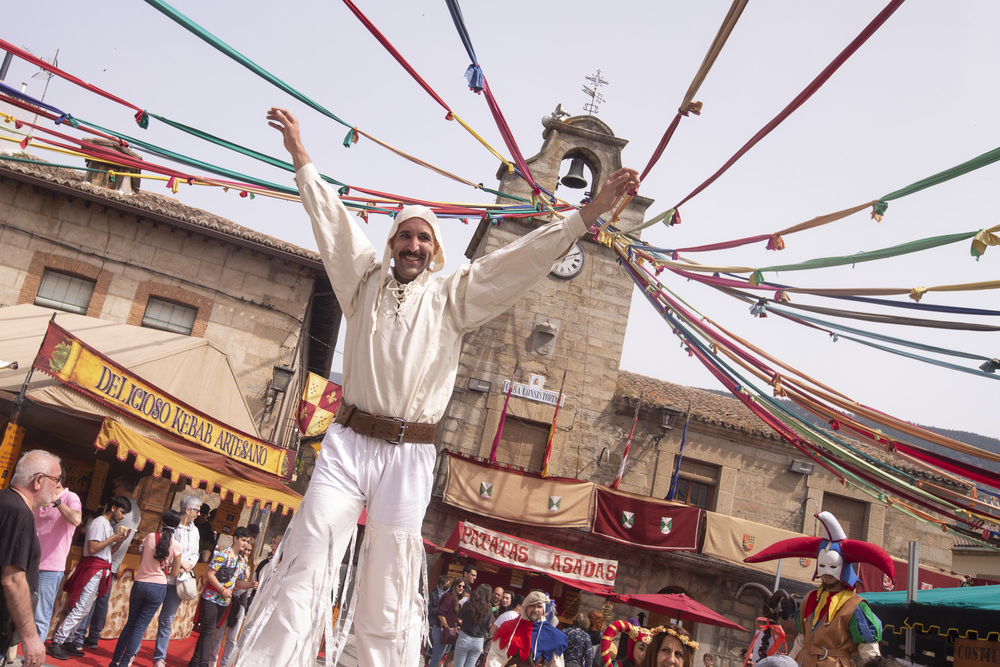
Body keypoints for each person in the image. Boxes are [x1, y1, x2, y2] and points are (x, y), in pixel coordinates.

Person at [233, 107, 640, 667]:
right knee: (310, 550)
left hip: (411, 452)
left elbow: (522, 259)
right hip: (347, 443)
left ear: (435, 249)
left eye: (424, 238)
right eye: (405, 235)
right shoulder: (363, 281)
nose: (414, 244)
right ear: (392, 241)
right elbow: (330, 219)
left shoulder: (454, 294)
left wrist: (588, 213)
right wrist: (301, 156)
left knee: (390, 575)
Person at [744, 512, 892, 667]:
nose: (827, 572)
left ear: (843, 568)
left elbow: (869, 650)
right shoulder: (810, 598)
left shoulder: (856, 605)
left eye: (832, 566)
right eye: (822, 566)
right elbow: (801, 640)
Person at [47, 496, 129, 660]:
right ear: (113, 508)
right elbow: (92, 548)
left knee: (84, 609)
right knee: (81, 608)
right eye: (122, 512)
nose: (123, 516)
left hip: (99, 568)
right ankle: (57, 641)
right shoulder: (99, 523)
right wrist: (113, 539)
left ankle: (68, 640)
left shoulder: (106, 525)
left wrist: (120, 541)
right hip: (92, 569)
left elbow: (106, 552)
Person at [1, 450, 62, 667]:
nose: (58, 487)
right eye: (57, 480)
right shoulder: (19, 512)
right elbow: (12, 579)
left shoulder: (5, 500)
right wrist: (30, 636)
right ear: (38, 480)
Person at [72, 476, 141, 651]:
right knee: (100, 599)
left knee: (92, 599)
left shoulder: (124, 509)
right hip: (111, 561)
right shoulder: (136, 509)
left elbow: (112, 540)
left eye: (115, 486)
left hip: (106, 561)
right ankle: (92, 636)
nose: (113, 489)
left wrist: (106, 551)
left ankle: (80, 636)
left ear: (123, 487)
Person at [108, 510, 182, 667]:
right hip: (158, 587)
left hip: (140, 583)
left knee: (130, 623)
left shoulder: (149, 537)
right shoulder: (176, 546)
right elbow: (174, 573)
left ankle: (115, 660)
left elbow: (142, 561)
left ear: (162, 521)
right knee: (140, 627)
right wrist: (166, 569)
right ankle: (126, 661)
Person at [188, 528, 256, 667]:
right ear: (235, 539)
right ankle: (204, 663)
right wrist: (221, 589)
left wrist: (250, 584)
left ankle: (195, 662)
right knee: (208, 629)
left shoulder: (241, 561)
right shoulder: (223, 554)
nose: (245, 543)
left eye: (247, 541)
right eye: (243, 540)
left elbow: (236, 582)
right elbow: (210, 574)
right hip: (211, 597)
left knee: (209, 630)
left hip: (224, 601)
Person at [32, 467, 82, 642]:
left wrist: (57, 502)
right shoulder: (39, 496)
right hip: (29, 562)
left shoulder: (70, 497)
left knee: (40, 614)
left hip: (51, 568)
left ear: (57, 480)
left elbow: (76, 520)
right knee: (14, 608)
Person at [153, 495, 203, 667]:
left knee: (167, 619)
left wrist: (188, 566)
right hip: (162, 577)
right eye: (197, 510)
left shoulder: (195, 531)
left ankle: (159, 657)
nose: (198, 514)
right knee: (148, 614)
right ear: (187, 510)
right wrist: (179, 563)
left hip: (180, 580)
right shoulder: (171, 527)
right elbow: (165, 548)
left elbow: (196, 552)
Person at [486, 591, 566, 667]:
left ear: (543, 610)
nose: (535, 610)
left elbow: (557, 663)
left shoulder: (552, 634)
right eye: (532, 605)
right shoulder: (508, 627)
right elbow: (496, 654)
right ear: (526, 607)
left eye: (539, 606)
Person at [454, 584, 492, 667]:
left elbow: (460, 616)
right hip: (478, 641)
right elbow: (488, 625)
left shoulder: (469, 603)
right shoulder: (489, 609)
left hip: (465, 636)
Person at [431, 577, 466, 667]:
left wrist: (458, 623)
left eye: (463, 587)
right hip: (441, 630)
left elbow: (451, 616)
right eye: (459, 585)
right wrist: (447, 627)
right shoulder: (449, 597)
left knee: (438, 657)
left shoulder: (455, 598)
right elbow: (441, 613)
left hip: (445, 631)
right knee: (436, 658)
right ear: (454, 585)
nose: (461, 588)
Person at [426, 575, 452, 665]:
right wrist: (440, 610)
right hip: (433, 623)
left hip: (442, 626)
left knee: (439, 653)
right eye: (446, 584)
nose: (448, 586)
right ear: (441, 584)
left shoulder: (449, 595)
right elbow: (429, 608)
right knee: (431, 648)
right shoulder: (433, 594)